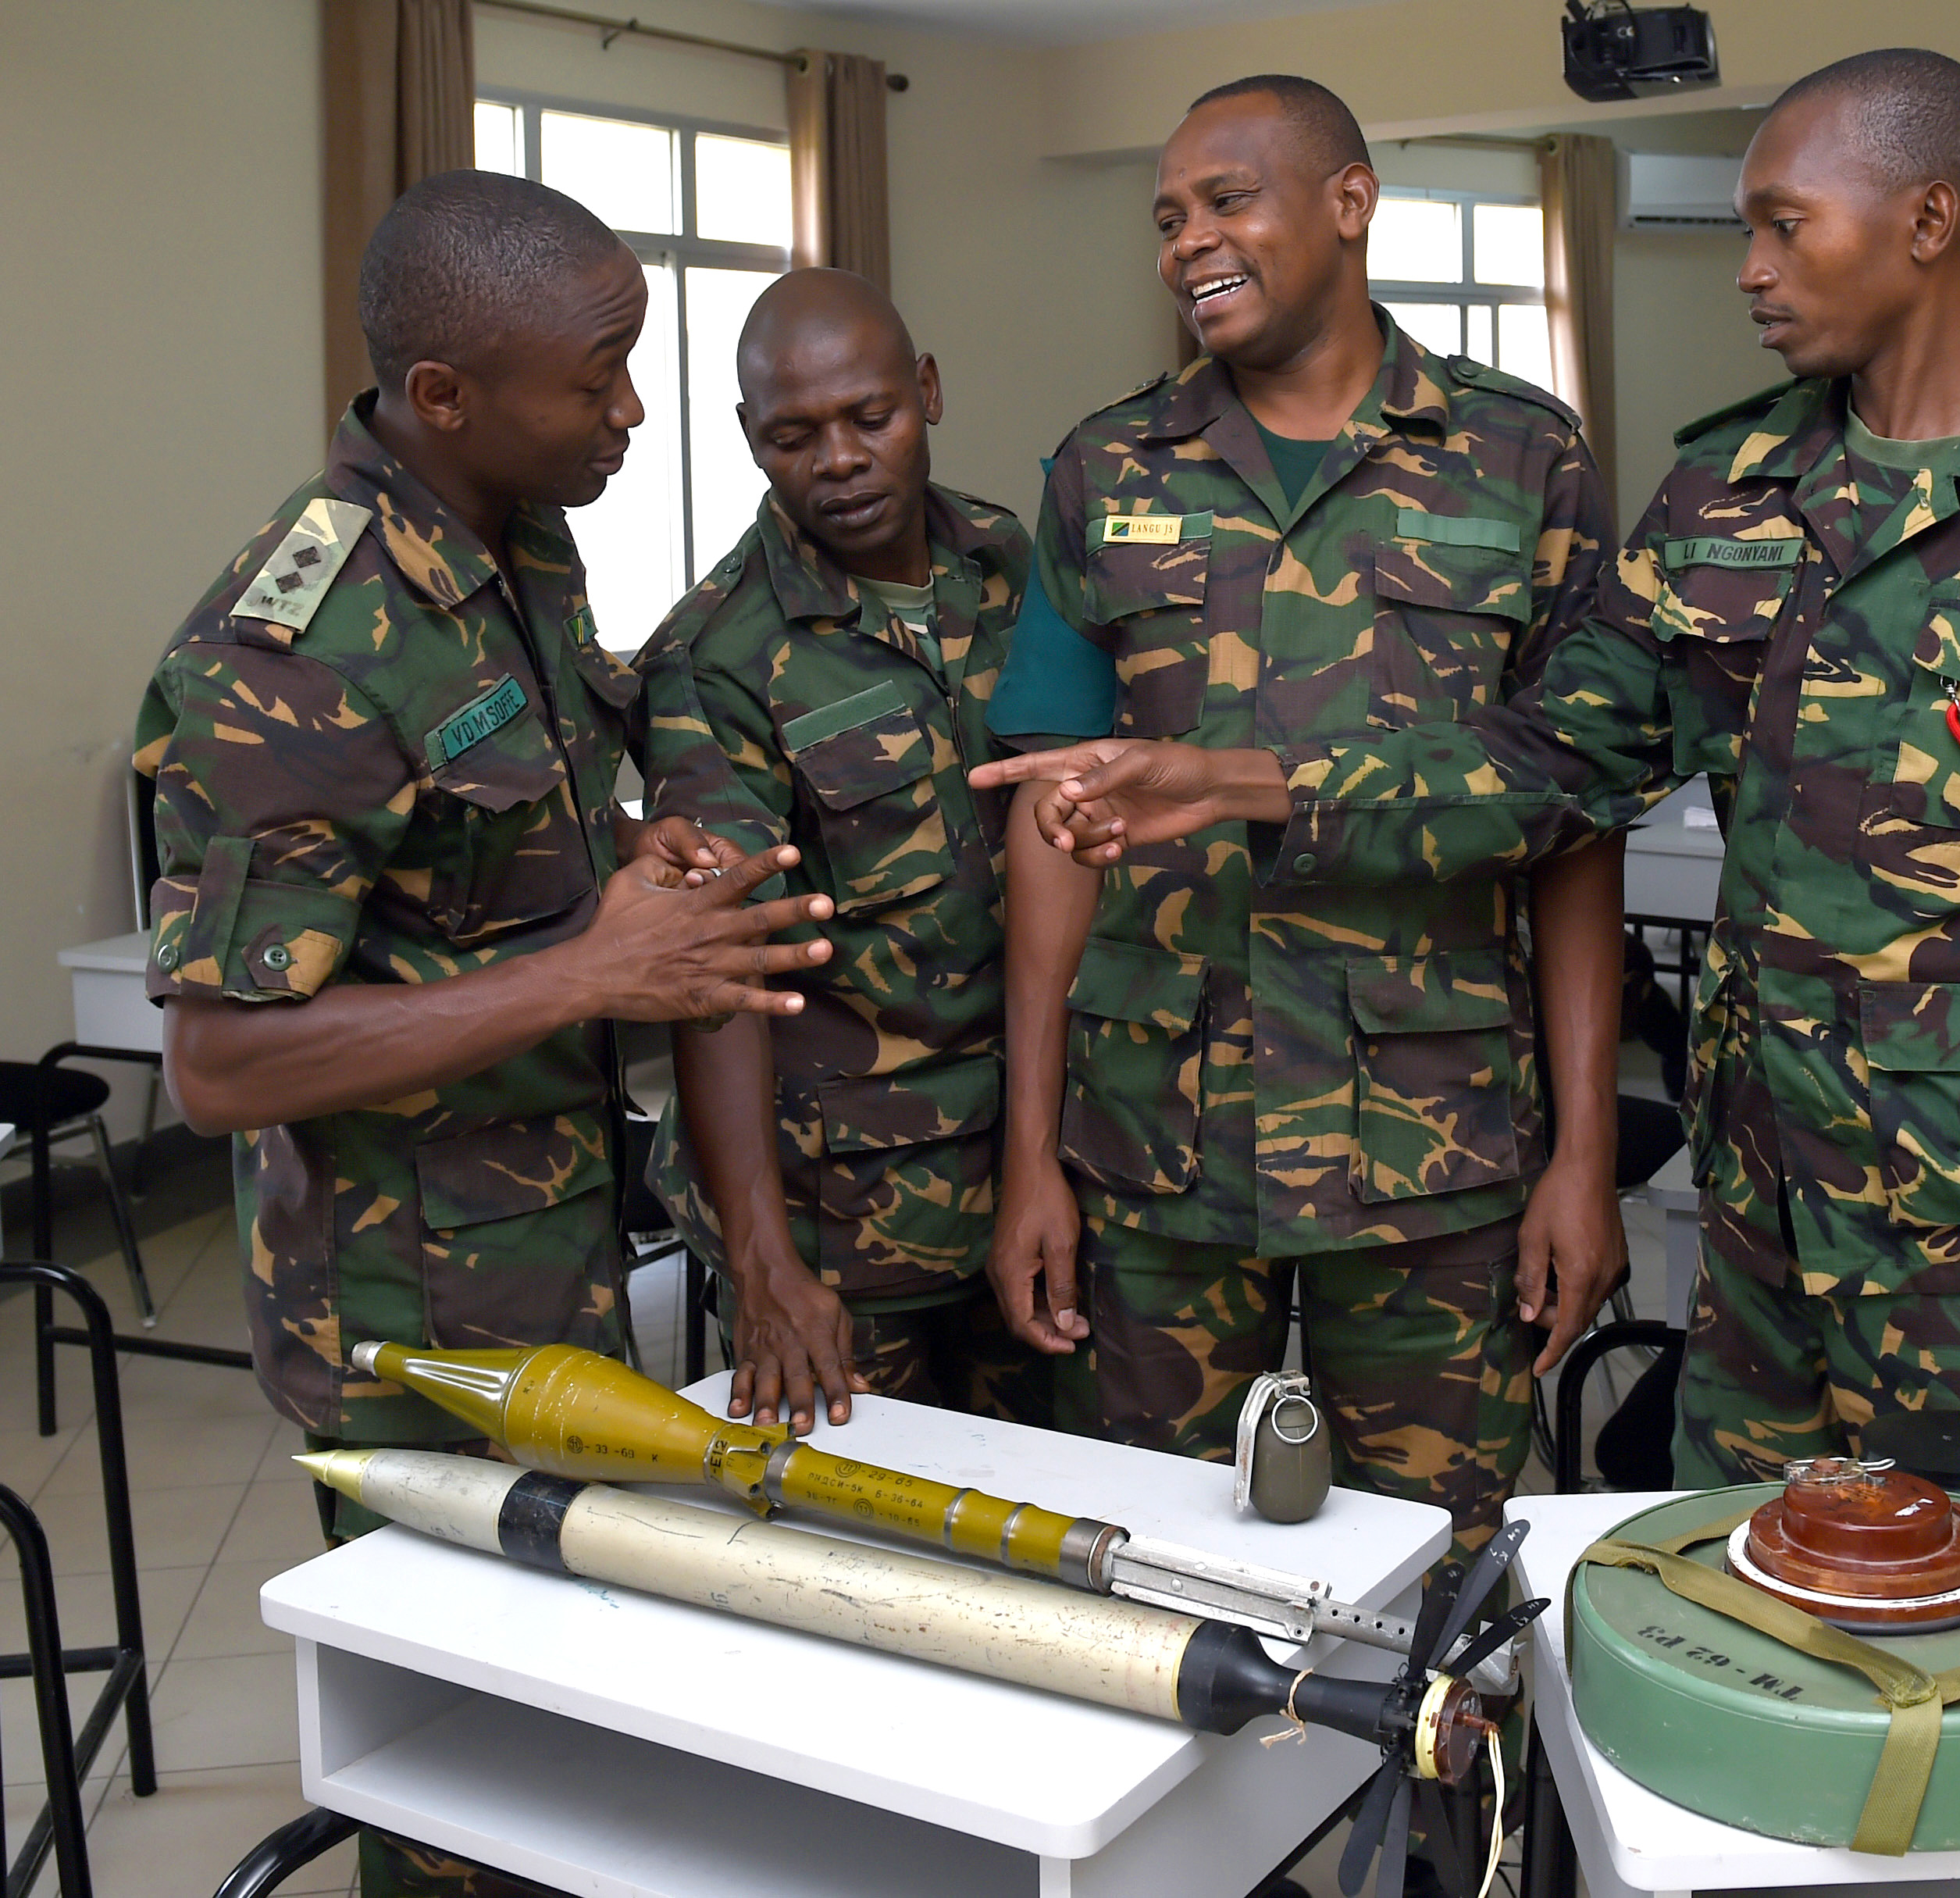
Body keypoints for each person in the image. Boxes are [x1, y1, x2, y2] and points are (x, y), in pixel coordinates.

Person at [978, 50, 1960, 1486]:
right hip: (1757, 1217)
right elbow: (1560, 759)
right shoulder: (1722, 496)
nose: (1747, 269)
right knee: (1741, 1615)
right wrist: (1251, 783)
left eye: (1781, 226)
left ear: (1926, 224)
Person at [141, 169, 829, 1898]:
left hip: (554, 1260)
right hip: (409, 1327)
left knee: (567, 1762)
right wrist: (590, 974)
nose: (631, 411)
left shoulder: (515, 530)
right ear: (442, 394)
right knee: (468, 1807)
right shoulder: (286, 652)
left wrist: (631, 862)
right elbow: (221, 1067)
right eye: (596, 377)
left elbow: (490, 848)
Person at [979, 74, 1623, 1553]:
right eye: (1166, 216)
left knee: (1438, 1575)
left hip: (1433, 1146)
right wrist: (1031, 1150)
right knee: (1145, 1566)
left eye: (1226, 199)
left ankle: (1448, 1801)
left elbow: (1575, 816)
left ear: (1348, 202)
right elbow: (1048, 819)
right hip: (1156, 1139)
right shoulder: (1101, 469)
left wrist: (1581, 1155)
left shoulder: (1524, 457)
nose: (1186, 239)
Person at [637, 269, 1041, 1435]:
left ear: (927, 390)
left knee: (1062, 1526)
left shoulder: (1005, 560)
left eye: (872, 417)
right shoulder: (715, 654)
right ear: (749, 441)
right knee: (866, 1562)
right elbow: (717, 977)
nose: (841, 459)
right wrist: (765, 1269)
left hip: (1040, 1166)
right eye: (793, 435)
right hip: (848, 1219)